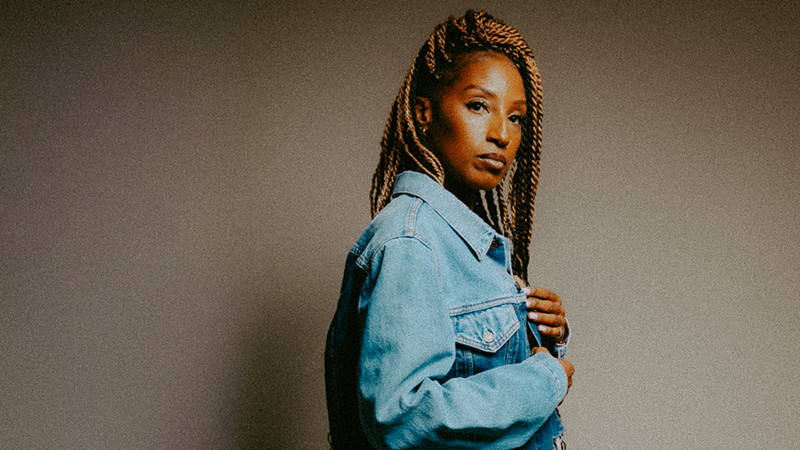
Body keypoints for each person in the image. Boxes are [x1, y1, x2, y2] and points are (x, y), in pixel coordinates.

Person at [325, 10, 574, 450]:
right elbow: (402, 418)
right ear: (424, 112)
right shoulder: (411, 242)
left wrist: (537, 332)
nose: (501, 133)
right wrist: (543, 379)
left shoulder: (462, 243)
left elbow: (475, 368)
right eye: (478, 105)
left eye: (516, 117)